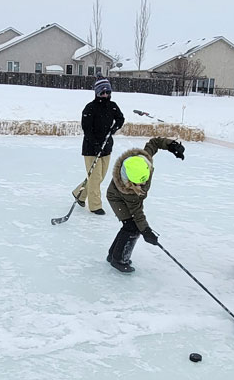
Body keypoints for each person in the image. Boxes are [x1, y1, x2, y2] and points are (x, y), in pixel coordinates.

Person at [105, 136, 185, 273]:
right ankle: (118, 260)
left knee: (132, 226)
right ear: (130, 180)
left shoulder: (142, 160)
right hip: (116, 198)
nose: (143, 184)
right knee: (132, 227)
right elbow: (137, 213)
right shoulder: (129, 191)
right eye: (138, 183)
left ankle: (113, 254)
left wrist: (171, 145)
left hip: (127, 195)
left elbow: (154, 142)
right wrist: (146, 231)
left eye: (144, 180)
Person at [72, 77, 124, 215]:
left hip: (106, 147)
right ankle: (95, 206)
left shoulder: (112, 106)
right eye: (102, 92)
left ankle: (79, 194)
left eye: (107, 92)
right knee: (95, 178)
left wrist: (114, 128)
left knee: (99, 177)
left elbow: (120, 118)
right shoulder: (90, 108)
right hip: (91, 149)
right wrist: (95, 145)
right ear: (97, 93)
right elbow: (87, 129)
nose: (105, 95)